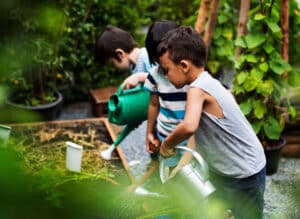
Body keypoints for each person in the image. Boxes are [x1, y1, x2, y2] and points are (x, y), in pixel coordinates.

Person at [156, 26, 266, 219]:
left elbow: (189, 126)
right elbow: (196, 135)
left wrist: (166, 144)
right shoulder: (204, 83)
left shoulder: (198, 89)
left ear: (183, 65)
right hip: (223, 171)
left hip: (245, 173)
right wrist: (182, 165)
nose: (165, 76)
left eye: (166, 70)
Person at [144, 20, 195, 177]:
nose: (162, 63)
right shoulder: (155, 75)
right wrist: (149, 133)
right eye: (157, 58)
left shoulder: (189, 77)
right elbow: (153, 104)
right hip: (165, 135)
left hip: (189, 138)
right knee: (169, 173)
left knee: (190, 174)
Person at [95, 25, 153, 89]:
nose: (115, 68)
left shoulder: (147, 56)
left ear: (120, 54)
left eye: (112, 63)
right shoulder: (133, 66)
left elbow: (164, 78)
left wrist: (139, 77)